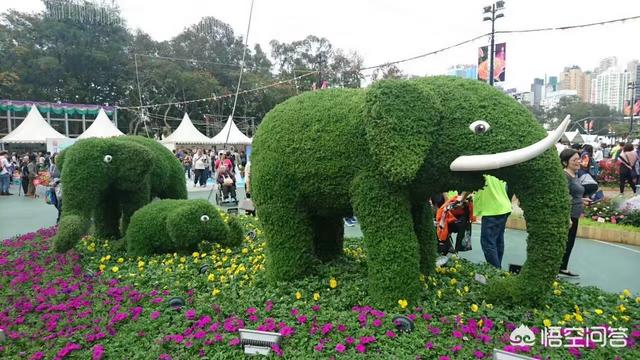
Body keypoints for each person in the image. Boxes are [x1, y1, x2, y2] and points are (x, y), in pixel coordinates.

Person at [559, 148, 591, 277]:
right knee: (564, 242)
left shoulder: (575, 174)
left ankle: (563, 267)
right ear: (565, 162)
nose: (578, 162)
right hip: (569, 215)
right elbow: (563, 197)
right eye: (574, 159)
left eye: (579, 159)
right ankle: (556, 268)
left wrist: (582, 199)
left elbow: (573, 194)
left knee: (570, 243)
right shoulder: (564, 176)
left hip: (575, 214)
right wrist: (567, 217)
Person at [473, 175, 512, 269]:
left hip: (492, 210)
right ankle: (499, 270)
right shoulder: (496, 167)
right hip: (503, 207)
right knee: (498, 240)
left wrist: (462, 198)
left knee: (487, 243)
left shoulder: (481, 167)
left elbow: (470, 185)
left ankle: (496, 272)